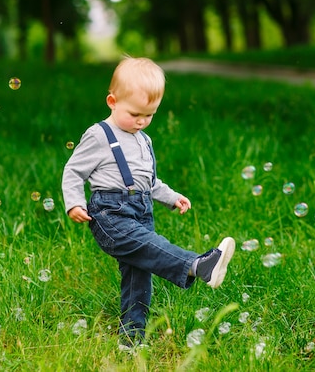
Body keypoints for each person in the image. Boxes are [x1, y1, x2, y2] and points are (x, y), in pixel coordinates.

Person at [62, 56, 235, 349]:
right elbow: (73, 170)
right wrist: (73, 203)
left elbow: (150, 181)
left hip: (141, 210)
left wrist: (171, 197)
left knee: (138, 276)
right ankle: (198, 265)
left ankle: (131, 339)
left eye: (149, 115)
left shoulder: (143, 139)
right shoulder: (99, 135)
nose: (142, 121)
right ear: (112, 101)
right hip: (110, 215)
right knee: (151, 246)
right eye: (135, 114)